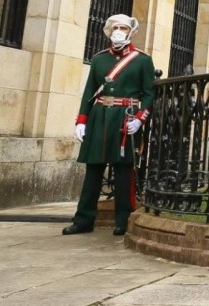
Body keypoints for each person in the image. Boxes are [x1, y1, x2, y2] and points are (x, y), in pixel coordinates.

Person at [63, 14, 156, 236]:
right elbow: (89, 92)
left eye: (123, 27)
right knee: (93, 170)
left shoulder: (142, 60)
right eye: (115, 27)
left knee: (124, 171)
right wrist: (82, 120)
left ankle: (122, 220)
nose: (118, 31)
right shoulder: (99, 59)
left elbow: (149, 93)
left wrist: (141, 118)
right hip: (100, 116)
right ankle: (84, 220)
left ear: (131, 32)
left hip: (126, 118)